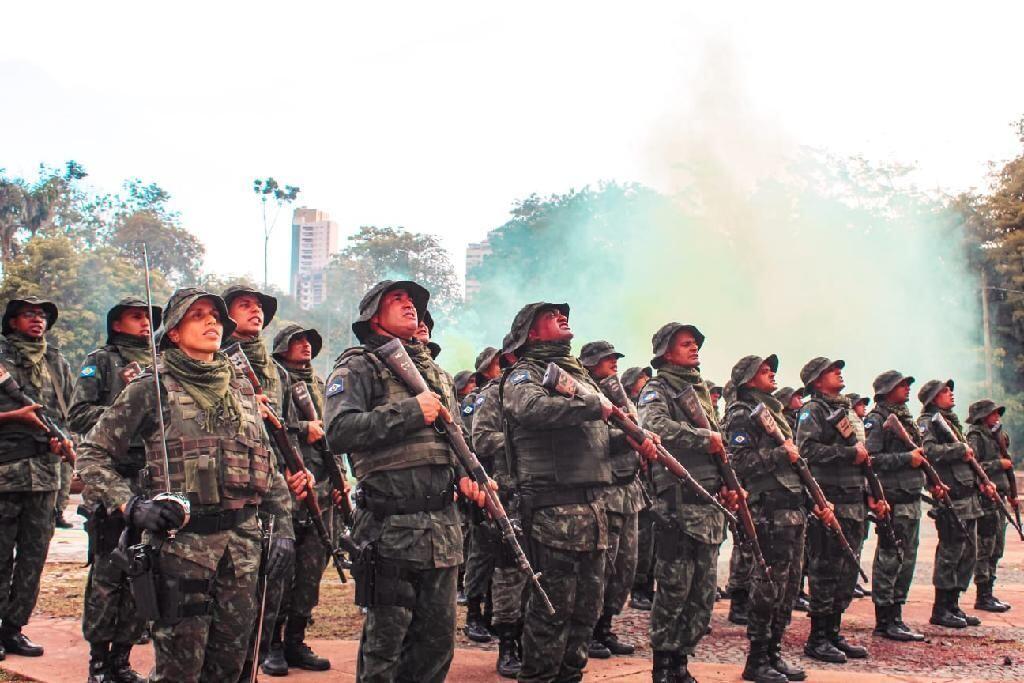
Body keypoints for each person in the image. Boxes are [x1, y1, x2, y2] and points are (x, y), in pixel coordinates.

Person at [76, 288, 301, 682]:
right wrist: (131, 506)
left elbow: (266, 463)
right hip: (182, 550)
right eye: (198, 316)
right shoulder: (152, 386)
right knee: (180, 669)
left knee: (231, 667)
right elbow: (92, 454)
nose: (212, 322)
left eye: (215, 316)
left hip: (244, 550)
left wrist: (282, 528)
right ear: (174, 334)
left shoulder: (242, 389)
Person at [323, 280, 487, 683]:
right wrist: (412, 411)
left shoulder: (437, 373)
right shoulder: (358, 366)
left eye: (412, 300)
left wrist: (469, 476)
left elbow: (453, 439)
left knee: (436, 642)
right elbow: (339, 431)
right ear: (374, 316)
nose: (409, 305)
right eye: (397, 300)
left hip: (442, 529)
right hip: (390, 529)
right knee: (386, 645)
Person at [501, 303, 655, 683]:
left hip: (592, 511)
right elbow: (531, 409)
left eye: (562, 312)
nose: (561, 315)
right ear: (531, 334)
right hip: (553, 513)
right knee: (551, 614)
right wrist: (593, 404)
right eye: (550, 315)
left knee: (586, 614)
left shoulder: (577, 375)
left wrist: (631, 441)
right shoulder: (525, 374)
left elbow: (595, 439)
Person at [70, 298, 160, 682]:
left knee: (141, 569)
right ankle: (99, 662)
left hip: (150, 478)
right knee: (108, 576)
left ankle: (122, 660)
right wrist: (124, 408)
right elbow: (78, 414)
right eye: (136, 317)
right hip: (111, 477)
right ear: (117, 323)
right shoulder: (102, 361)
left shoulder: (161, 365)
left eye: (148, 318)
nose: (144, 323)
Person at [638, 322, 731, 683]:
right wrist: (701, 438)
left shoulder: (700, 391)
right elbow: (655, 427)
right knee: (674, 589)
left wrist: (727, 483)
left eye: (695, 344)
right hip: (678, 504)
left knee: (702, 594)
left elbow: (720, 447)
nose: (694, 349)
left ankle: (681, 661)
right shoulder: (657, 389)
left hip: (707, 505)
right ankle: (663, 665)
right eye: (686, 344)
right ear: (665, 352)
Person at [724, 354, 823, 683]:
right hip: (767, 511)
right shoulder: (741, 414)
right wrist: (783, 452)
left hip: (791, 509)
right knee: (767, 586)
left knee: (788, 587)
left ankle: (774, 652)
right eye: (764, 372)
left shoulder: (775, 412)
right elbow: (738, 463)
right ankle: (757, 658)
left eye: (771, 370)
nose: (772, 375)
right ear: (748, 379)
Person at [259, 323, 338, 674]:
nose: (305, 346)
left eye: (309, 341)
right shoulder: (273, 379)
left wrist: (340, 478)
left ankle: (295, 639)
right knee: (281, 571)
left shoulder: (319, 385)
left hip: (320, 488)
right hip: (285, 487)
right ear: (281, 347)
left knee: (310, 571)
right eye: (298, 341)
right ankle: (272, 643)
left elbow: (333, 432)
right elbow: (264, 425)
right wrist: (302, 428)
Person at [0, 296, 75, 659]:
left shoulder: (55, 361)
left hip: (46, 475)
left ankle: (14, 628)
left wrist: (64, 439)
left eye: (43, 314)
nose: (38, 319)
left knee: (33, 556)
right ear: (12, 321)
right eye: (29, 313)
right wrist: (15, 417)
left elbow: (68, 412)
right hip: (4, 471)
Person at [796, 357, 875, 663]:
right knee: (825, 569)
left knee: (846, 570)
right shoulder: (812, 410)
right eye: (831, 370)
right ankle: (817, 638)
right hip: (830, 500)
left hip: (852, 499)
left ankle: (833, 632)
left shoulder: (839, 410)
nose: (838, 372)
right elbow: (807, 451)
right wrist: (848, 453)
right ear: (817, 381)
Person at [579, 341, 643, 659]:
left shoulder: (618, 394)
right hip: (606, 490)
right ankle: (588, 630)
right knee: (602, 567)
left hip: (629, 491)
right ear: (591, 363)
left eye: (615, 358)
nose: (614, 363)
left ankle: (605, 627)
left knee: (624, 568)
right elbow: (594, 441)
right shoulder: (587, 395)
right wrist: (629, 438)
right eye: (607, 359)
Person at [918, 379, 997, 629]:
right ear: (932, 398)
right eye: (944, 391)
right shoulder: (928, 422)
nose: (951, 394)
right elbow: (927, 451)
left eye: (951, 389)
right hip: (951, 497)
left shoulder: (950, 421)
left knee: (968, 553)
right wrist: (958, 450)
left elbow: (967, 461)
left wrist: (981, 482)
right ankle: (941, 608)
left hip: (968, 495)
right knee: (951, 552)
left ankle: (953, 604)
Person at [470, 334, 525, 678]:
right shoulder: (492, 395)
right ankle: (508, 643)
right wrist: (522, 441)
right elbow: (481, 439)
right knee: (508, 574)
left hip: (546, 493)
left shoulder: (544, 391)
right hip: (508, 494)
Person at [863, 371, 927, 642]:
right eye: (902, 385)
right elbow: (871, 459)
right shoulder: (877, 420)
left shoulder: (904, 417)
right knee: (891, 559)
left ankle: (896, 614)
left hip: (910, 498)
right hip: (893, 499)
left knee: (907, 560)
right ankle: (885, 618)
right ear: (888, 390)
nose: (907, 389)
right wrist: (906, 458)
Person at [460, 345, 502, 644]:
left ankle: (495, 615)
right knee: (481, 552)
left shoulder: (509, 395)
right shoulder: (473, 402)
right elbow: (470, 442)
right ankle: (474, 614)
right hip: (482, 484)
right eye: (498, 362)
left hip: (509, 484)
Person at [966, 399, 1016, 613]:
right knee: (985, 547)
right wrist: (999, 464)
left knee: (997, 547)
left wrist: (1013, 496)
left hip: (1000, 498)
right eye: (992, 413)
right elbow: (974, 466)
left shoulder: (996, 435)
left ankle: (989, 591)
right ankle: (982, 595)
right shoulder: (976, 436)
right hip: (986, 499)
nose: (997, 417)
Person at [622, 366, 657, 612]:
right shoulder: (627, 410)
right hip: (635, 484)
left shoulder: (644, 409)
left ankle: (647, 588)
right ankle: (638, 589)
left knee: (653, 542)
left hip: (652, 485)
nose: (646, 382)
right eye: (641, 379)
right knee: (640, 543)